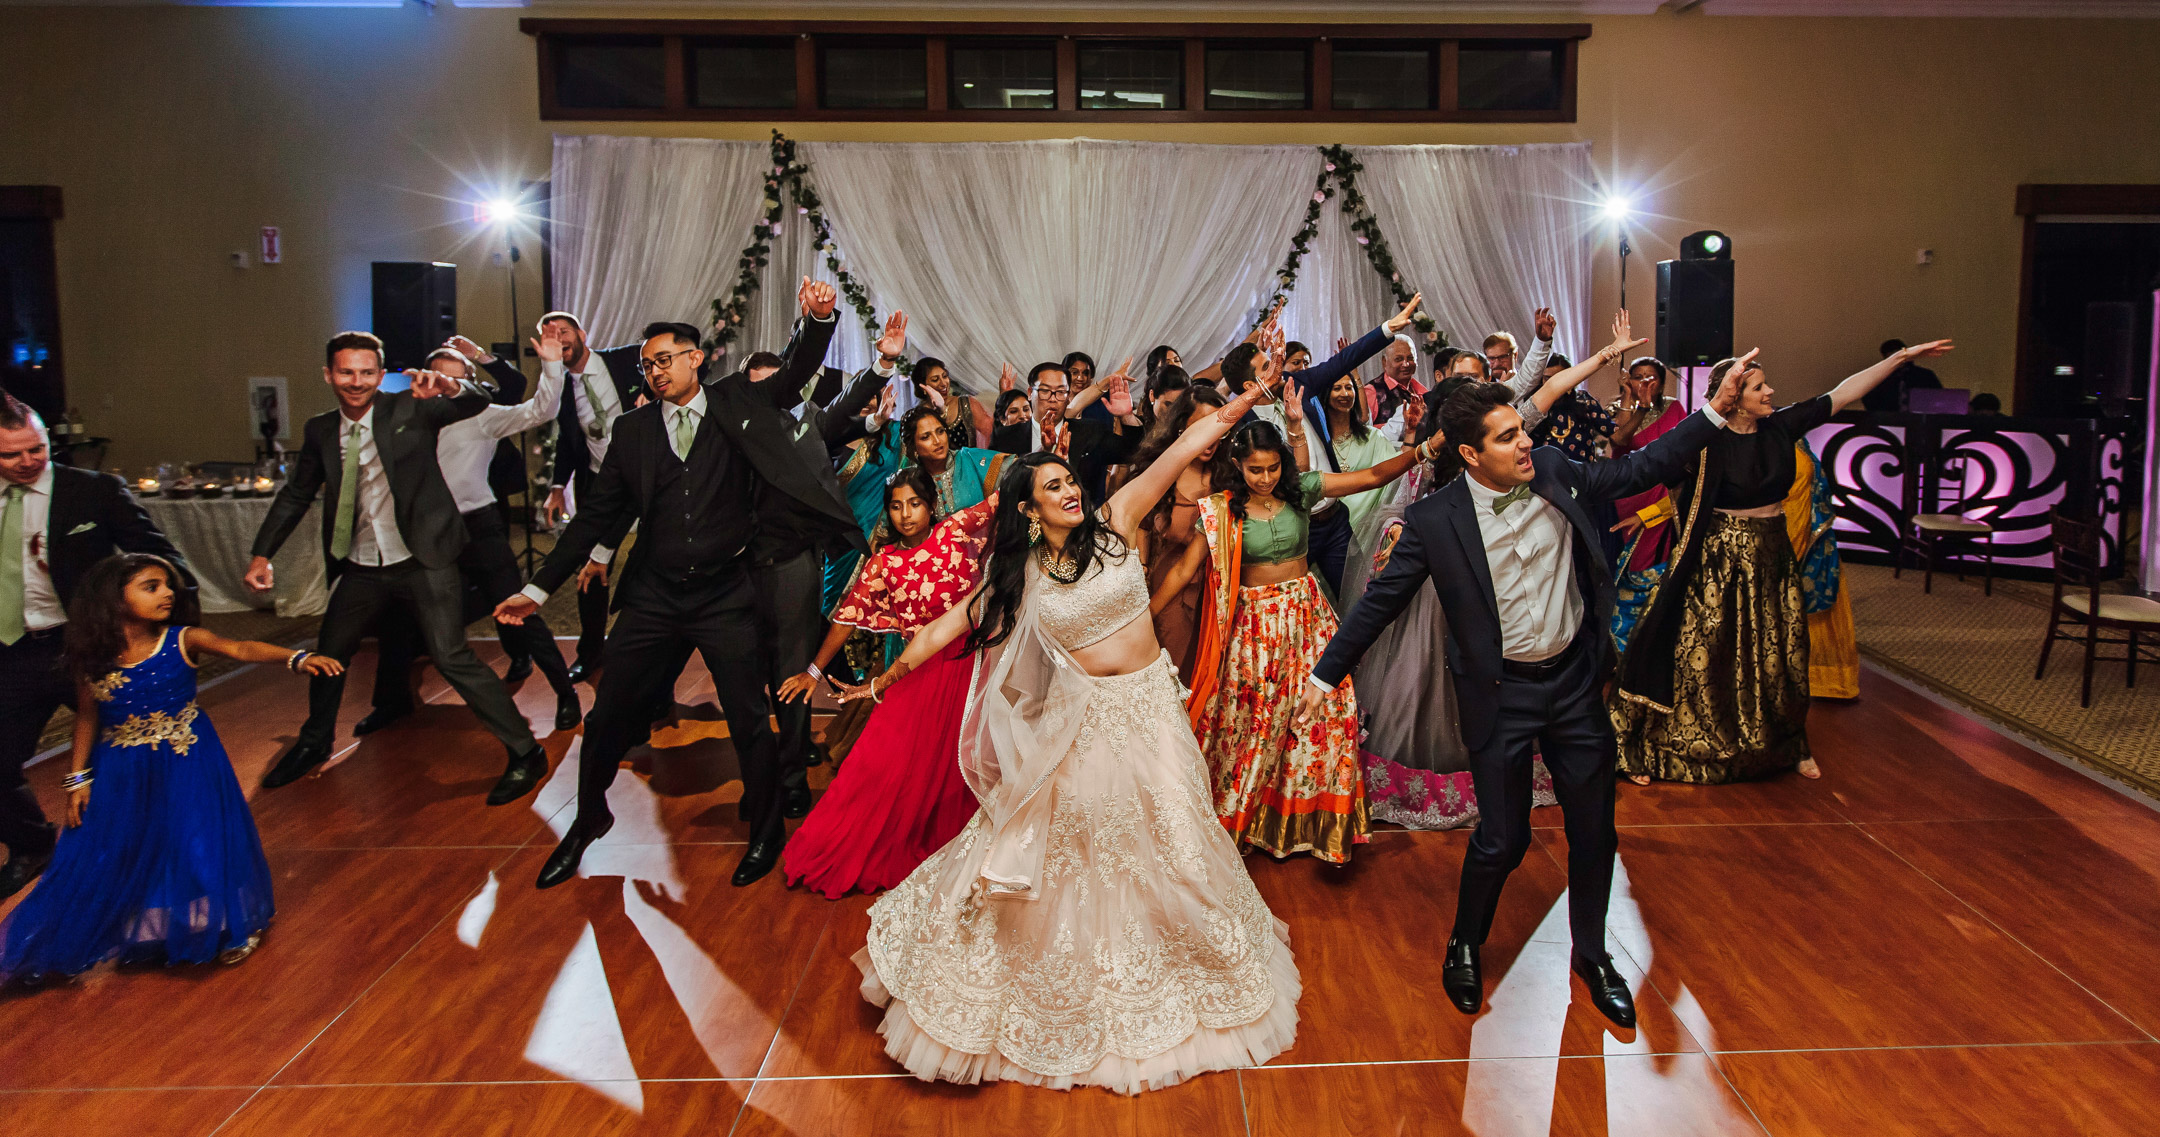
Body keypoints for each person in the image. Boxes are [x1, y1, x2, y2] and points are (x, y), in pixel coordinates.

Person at [842, 375, 1299, 1094]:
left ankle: (1189, 967)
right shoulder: (1017, 574)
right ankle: (1060, 990)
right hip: (1080, 724)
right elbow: (939, 629)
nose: (1069, 492)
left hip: (1150, 711)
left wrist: (1246, 403)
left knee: (1177, 837)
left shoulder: (1117, 518)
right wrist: (877, 682)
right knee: (1075, 854)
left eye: (1068, 481)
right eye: (1053, 487)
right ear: (1027, 508)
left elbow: (1183, 445)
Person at [1300, 355, 1737, 1030]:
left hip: (1572, 683)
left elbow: (1639, 470)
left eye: (1520, 429)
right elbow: (1379, 603)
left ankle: (1592, 954)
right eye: (1507, 436)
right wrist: (1323, 676)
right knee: (1502, 839)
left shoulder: (1558, 470)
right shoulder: (1436, 520)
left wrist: (1715, 413)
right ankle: (1466, 943)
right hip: (1499, 693)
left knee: (1595, 829)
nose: (1525, 441)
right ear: (1471, 454)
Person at [494, 308, 867, 891]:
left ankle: (767, 831)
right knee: (610, 710)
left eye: (664, 360)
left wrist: (817, 320)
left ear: (696, 358)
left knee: (748, 717)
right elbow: (597, 514)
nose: (654, 373)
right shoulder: (633, 432)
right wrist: (538, 587)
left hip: (726, 593)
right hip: (656, 596)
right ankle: (589, 817)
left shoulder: (736, 404)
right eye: (646, 365)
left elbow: (794, 373)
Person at [1615, 340, 1952, 787]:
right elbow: (1652, 471)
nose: (1770, 391)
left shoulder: (1779, 427)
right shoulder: (1705, 438)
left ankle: (1787, 744)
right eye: (1758, 386)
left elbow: (1844, 392)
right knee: (1709, 653)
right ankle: (1671, 744)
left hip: (1773, 556)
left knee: (1782, 654)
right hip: (1719, 559)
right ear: (1734, 396)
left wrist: (1899, 360)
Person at [0, 554, 341, 982]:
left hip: (186, 760)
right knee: (124, 844)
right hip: (121, 767)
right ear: (114, 598)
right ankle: (146, 930)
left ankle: (234, 927)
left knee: (198, 839)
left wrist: (295, 658)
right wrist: (77, 779)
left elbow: (239, 647)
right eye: (151, 586)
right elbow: (88, 717)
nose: (167, 594)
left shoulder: (183, 639)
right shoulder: (93, 658)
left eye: (167, 586)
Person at [245, 332, 546, 802]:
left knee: (452, 657)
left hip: (423, 557)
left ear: (380, 374)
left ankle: (526, 752)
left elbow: (478, 401)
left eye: (367, 372)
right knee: (330, 653)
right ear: (328, 375)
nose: (357, 382)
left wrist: (451, 387)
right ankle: (314, 742)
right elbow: (297, 493)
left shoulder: (412, 408)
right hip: (363, 563)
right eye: (346, 372)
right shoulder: (321, 430)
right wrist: (262, 553)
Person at [1158, 404, 1425, 863]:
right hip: (1255, 627)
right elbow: (1184, 570)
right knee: (1257, 721)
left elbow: (1373, 477)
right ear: (1238, 466)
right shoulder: (1221, 509)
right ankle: (1243, 818)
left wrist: (1424, 449)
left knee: (1326, 714)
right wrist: (1143, 615)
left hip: (1308, 616)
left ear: (1283, 463)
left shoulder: (1302, 490)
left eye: (1272, 467)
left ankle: (1315, 824)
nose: (1264, 478)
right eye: (1254, 470)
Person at [0, 392, 194, 900]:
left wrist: (171, 642)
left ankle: (168, 856)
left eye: (36, 449)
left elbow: (162, 559)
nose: (28, 462)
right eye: (11, 455)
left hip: (89, 645)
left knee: (143, 755)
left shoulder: (94, 491)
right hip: (13, 648)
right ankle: (32, 845)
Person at [775, 469, 994, 898]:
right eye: (896, 506)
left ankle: (963, 849)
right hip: (918, 672)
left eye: (914, 503)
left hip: (972, 667)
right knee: (879, 763)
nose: (906, 514)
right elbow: (845, 617)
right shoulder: (884, 563)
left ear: (932, 504)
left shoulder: (956, 531)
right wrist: (814, 670)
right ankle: (846, 844)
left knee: (961, 765)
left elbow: (1010, 495)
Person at [362, 340, 581, 735]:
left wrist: (551, 366)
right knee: (398, 615)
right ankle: (390, 702)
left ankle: (566, 695)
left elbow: (541, 410)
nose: (445, 382)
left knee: (517, 610)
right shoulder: (404, 416)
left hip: (477, 526)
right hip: (424, 529)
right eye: (439, 374)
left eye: (455, 376)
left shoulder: (483, 415)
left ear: (468, 384)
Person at [1128, 385, 1226, 677]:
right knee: (1173, 671)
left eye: (1216, 427)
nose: (1209, 438)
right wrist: (1142, 568)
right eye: (1201, 427)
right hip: (1170, 586)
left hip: (1221, 589)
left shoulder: (1233, 472)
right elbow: (1140, 524)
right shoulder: (1163, 469)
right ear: (1182, 427)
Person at [1607, 356, 1687, 653]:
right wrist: (1634, 401)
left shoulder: (1673, 408)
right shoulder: (1617, 409)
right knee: (1625, 566)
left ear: (1662, 383)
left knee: (1658, 567)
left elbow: (1684, 451)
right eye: (1638, 376)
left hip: (1663, 498)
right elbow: (1619, 441)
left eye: (1651, 377)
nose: (1645, 382)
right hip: (1627, 496)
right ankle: (1621, 647)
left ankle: (1653, 644)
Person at [913, 356, 991, 451]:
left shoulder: (966, 404)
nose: (943, 383)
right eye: (935, 379)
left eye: (945, 376)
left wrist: (1004, 399)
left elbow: (992, 432)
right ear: (923, 387)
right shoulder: (918, 416)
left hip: (967, 465)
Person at [1861, 338, 1943, 413]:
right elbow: (1869, 400)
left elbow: (1939, 398)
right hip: (1888, 421)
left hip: (1920, 420)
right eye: (1893, 357)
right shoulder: (1879, 379)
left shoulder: (1924, 376)